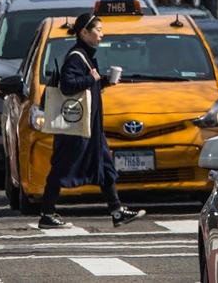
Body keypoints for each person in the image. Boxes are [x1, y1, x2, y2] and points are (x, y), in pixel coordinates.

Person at [38, 12, 145, 229]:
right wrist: (92, 78)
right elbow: (68, 85)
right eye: (98, 30)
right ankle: (47, 214)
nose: (101, 35)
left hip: (90, 127)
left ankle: (117, 211)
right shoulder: (76, 56)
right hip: (76, 128)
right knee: (61, 167)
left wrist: (104, 82)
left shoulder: (84, 55)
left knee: (105, 166)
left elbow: (86, 85)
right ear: (84, 32)